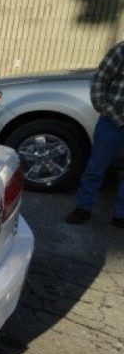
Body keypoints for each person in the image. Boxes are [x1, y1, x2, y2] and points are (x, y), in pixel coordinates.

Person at [65, 40, 124, 227]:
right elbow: (100, 80)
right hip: (113, 121)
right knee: (96, 167)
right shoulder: (122, 49)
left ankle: (121, 215)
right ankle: (83, 207)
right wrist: (109, 111)